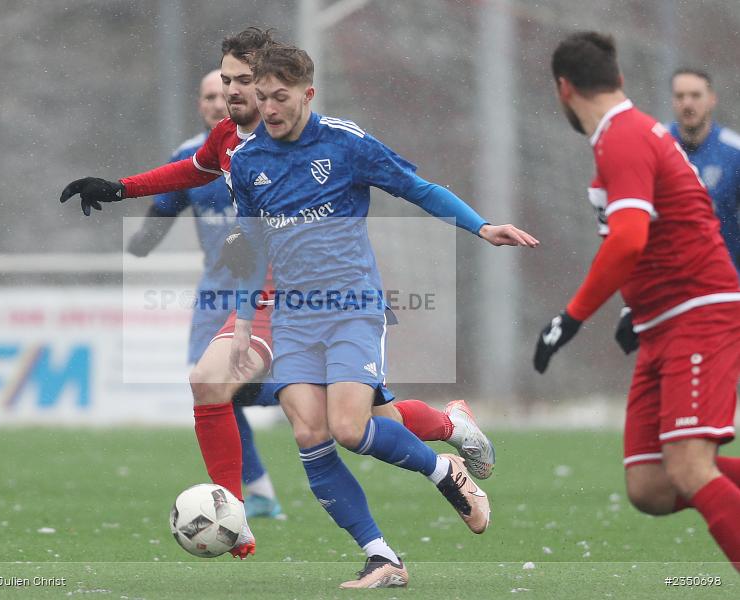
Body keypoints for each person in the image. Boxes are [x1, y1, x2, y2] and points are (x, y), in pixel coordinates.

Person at [61, 27, 497, 563]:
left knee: (326, 420)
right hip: (261, 298)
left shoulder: (312, 141)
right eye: (227, 81)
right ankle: (248, 515)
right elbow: (192, 171)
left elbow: (409, 186)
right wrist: (120, 187)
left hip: (302, 298)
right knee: (299, 410)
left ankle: (429, 459)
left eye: (244, 81)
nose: (233, 93)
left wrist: (479, 226)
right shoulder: (230, 141)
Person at [228, 43, 538, 588]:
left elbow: (418, 189)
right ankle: (382, 557)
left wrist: (481, 225)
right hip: (294, 316)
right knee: (309, 432)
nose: (269, 109)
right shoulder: (249, 162)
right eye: (262, 97)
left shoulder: (345, 143)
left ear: (307, 94)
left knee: (350, 428)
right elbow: (251, 246)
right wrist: (247, 320)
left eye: (280, 97)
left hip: (352, 307)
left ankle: (446, 471)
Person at [533, 31, 740, 570]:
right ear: (619, 79)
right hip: (660, 320)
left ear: (563, 89)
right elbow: (655, 231)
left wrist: (572, 316)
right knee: (650, 484)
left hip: (697, 312)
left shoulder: (622, 136)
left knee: (692, 468)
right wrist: (632, 304)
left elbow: (629, 237)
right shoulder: (624, 135)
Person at [126, 68, 285, 518]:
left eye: (226, 92)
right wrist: (143, 242)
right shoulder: (192, 155)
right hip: (216, 293)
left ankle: (316, 398)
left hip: (268, 293)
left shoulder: (271, 148)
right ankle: (256, 493)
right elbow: (165, 204)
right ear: (200, 104)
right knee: (209, 386)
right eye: (210, 95)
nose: (219, 101)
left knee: (282, 392)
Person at [670, 68, 740, 270]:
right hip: (669, 280)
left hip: (723, 280)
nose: (687, 103)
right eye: (680, 96)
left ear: (712, 99)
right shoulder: (656, 146)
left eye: (695, 95)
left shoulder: (734, 153)